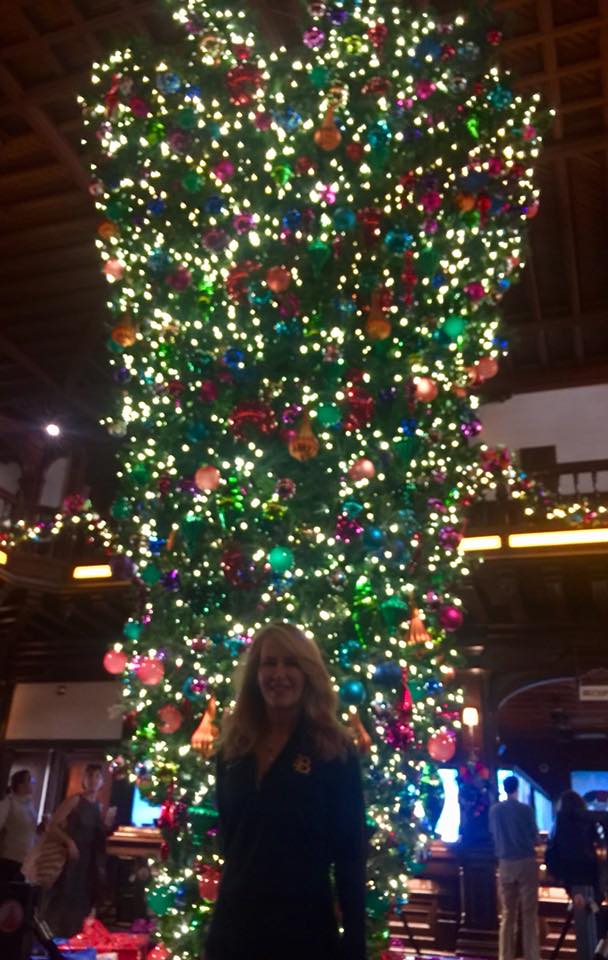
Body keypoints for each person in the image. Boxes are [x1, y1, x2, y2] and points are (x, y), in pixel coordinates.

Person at [205, 621, 368, 960]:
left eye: (291, 663)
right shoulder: (233, 749)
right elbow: (233, 840)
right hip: (234, 932)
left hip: (304, 933)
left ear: (308, 673)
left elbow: (350, 854)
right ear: (256, 674)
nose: (279, 674)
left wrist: (354, 941)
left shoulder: (333, 751)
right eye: (269, 663)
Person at [42, 764, 108, 938]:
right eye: (90, 776)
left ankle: (73, 941)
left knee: (82, 901)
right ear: (84, 780)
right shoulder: (75, 800)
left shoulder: (99, 806)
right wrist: (69, 842)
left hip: (88, 859)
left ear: (102, 781)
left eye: (97, 777)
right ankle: (52, 940)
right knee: (64, 897)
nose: (93, 781)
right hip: (70, 856)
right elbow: (52, 826)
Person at [548, 790, 608, 960]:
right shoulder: (588, 820)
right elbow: (598, 843)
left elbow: (553, 851)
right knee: (594, 915)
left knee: (584, 917)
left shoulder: (559, 822)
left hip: (570, 879)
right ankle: (597, 951)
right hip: (590, 875)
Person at [489, 775, 540, 960]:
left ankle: (505, 955)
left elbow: (493, 835)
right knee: (529, 913)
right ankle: (532, 955)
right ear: (517, 788)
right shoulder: (526, 810)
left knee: (508, 914)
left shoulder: (494, 811)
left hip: (505, 864)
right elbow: (535, 837)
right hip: (525, 862)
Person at [0, 769, 37, 884]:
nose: (33, 783)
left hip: (26, 859)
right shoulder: (9, 802)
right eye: (30, 780)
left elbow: (29, 829)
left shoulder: (30, 805)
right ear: (21, 785)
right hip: (11, 858)